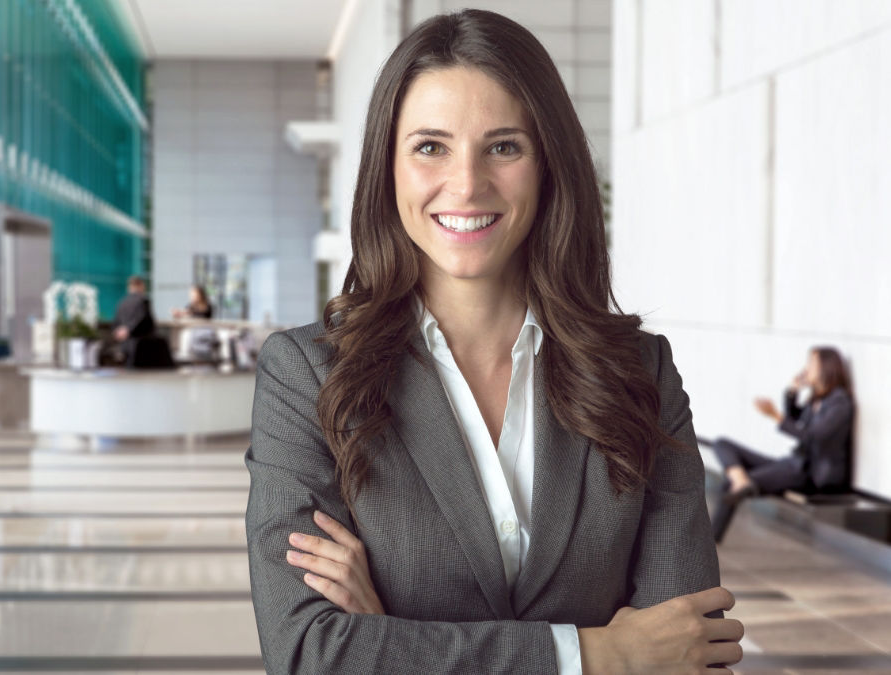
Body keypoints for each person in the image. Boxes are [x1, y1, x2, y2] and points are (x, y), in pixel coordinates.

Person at [245, 10, 743, 674]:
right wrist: (596, 653)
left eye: (503, 146)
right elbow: (312, 653)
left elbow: (689, 654)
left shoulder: (641, 375)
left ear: (547, 163)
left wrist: (390, 637)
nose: (467, 184)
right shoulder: (307, 377)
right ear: (387, 167)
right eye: (431, 146)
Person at [710, 347, 854, 542]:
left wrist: (776, 416)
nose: (806, 369)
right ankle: (740, 478)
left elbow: (813, 436)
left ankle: (710, 538)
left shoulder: (840, 403)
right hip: (793, 463)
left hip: (810, 473)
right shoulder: (818, 400)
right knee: (721, 443)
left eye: (812, 364)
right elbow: (796, 417)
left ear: (826, 368)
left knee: (730, 484)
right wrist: (793, 391)